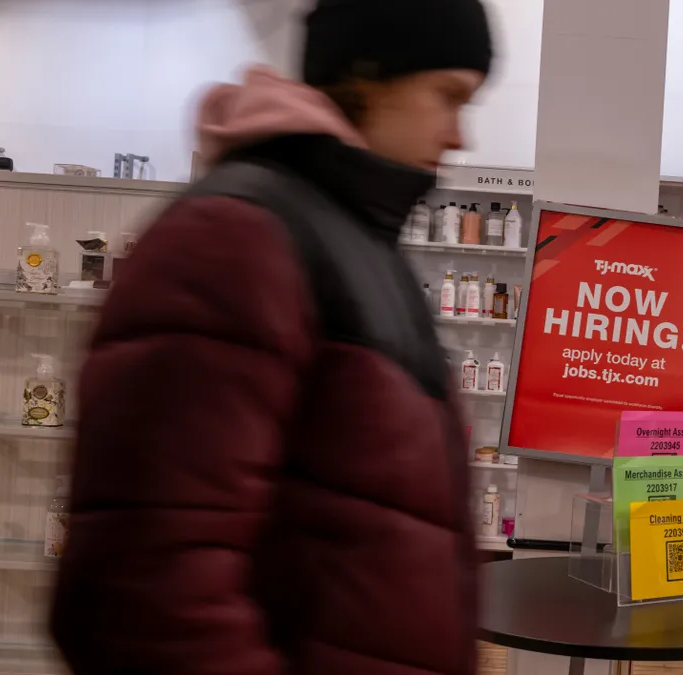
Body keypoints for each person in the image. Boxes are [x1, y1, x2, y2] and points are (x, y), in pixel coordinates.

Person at [49, 1, 492, 673]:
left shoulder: (346, 237)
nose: (461, 135)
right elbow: (143, 590)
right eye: (448, 95)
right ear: (366, 76)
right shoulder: (234, 240)